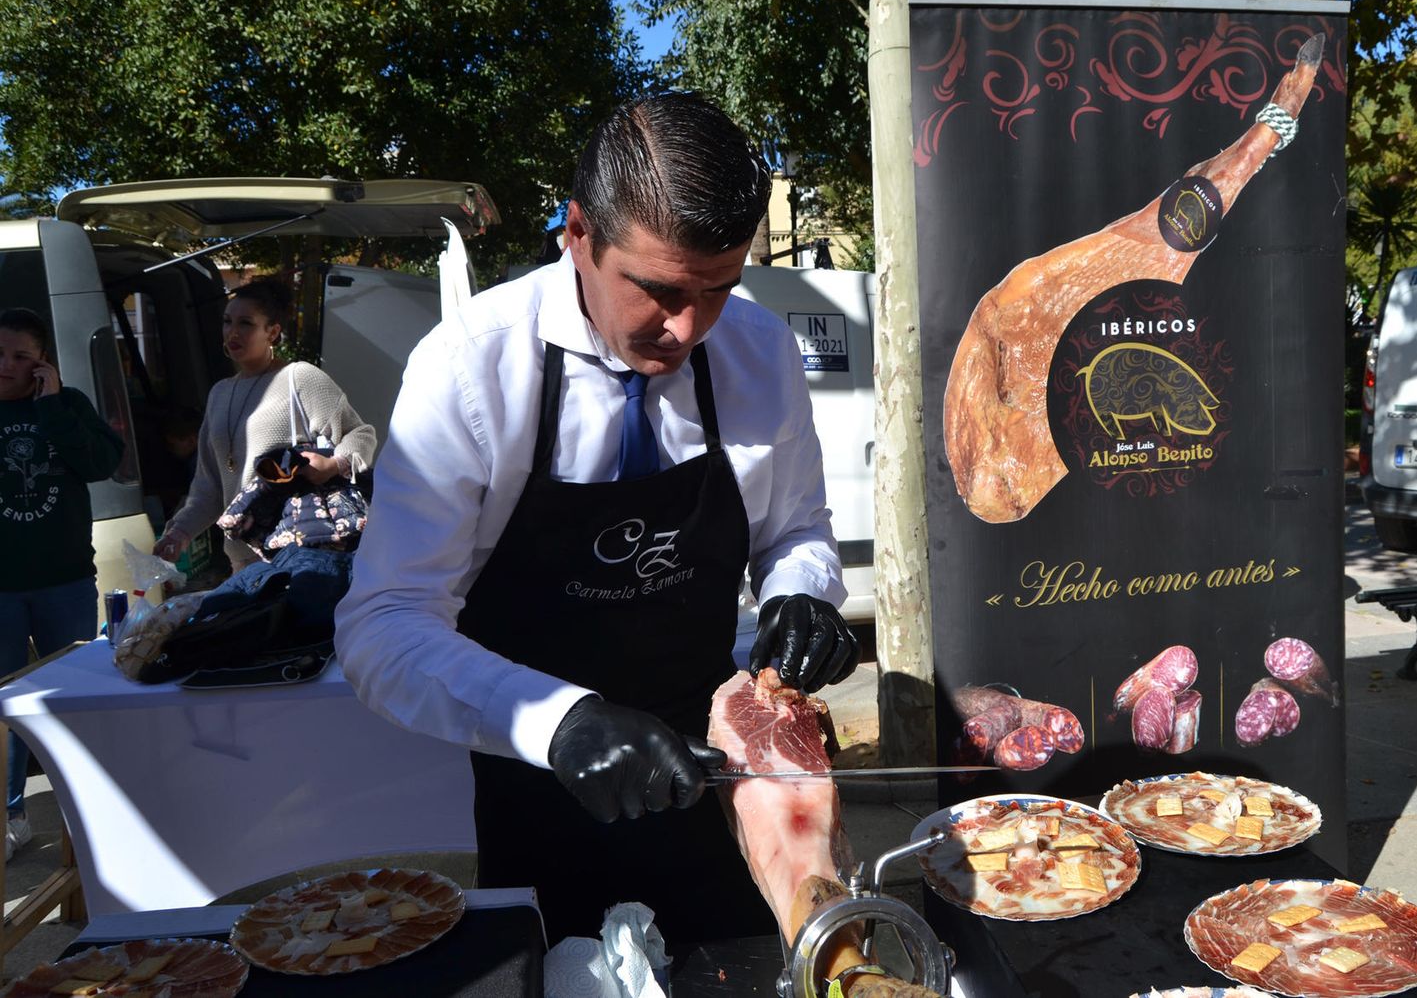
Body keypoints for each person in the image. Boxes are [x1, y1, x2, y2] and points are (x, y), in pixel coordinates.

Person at [335, 92, 860, 943]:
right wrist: (561, 720)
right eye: (657, 289)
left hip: (723, 788)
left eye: (719, 288)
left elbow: (795, 529)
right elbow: (381, 626)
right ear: (578, 231)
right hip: (540, 791)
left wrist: (803, 592)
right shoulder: (473, 367)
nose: (688, 328)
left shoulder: (759, 353)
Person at [0, 307, 123, 861]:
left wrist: (51, 406)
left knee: (70, 702)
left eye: (20, 356)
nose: (6, 365)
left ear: (42, 363)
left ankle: (84, 819)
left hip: (65, 582)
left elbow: (100, 462)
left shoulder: (67, 406)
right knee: (2, 707)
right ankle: (10, 816)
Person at [154, 279, 376, 573]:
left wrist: (334, 463)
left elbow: (361, 434)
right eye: (227, 321)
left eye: (245, 323)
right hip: (241, 557)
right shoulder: (219, 393)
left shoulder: (299, 378)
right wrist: (178, 534)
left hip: (297, 551)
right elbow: (209, 484)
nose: (233, 332)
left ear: (272, 332)